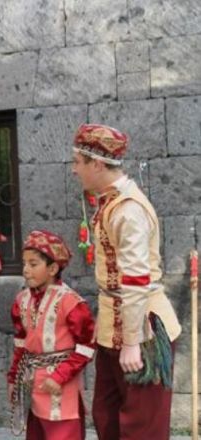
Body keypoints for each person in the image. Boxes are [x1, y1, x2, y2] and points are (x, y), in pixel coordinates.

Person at [71, 123, 181, 440]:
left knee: (141, 428)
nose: (74, 170)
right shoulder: (111, 202)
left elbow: (135, 279)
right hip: (114, 328)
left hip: (144, 331)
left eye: (78, 162)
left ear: (97, 164)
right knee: (107, 418)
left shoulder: (129, 210)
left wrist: (132, 341)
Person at [7, 230, 95, 439]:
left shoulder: (71, 303)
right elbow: (21, 344)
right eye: (24, 263)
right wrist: (13, 379)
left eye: (33, 264)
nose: (26, 270)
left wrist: (59, 376)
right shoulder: (22, 300)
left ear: (53, 268)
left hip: (61, 387)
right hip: (33, 382)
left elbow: (86, 347)